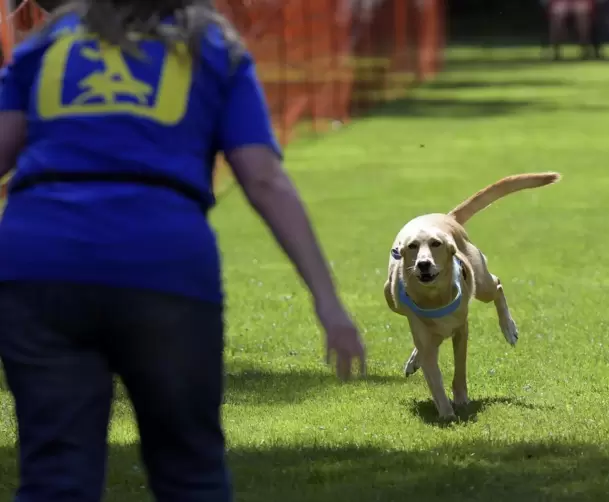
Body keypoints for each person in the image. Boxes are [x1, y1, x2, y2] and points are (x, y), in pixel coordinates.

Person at [0, 1, 366, 501]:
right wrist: (327, 300)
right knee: (189, 474)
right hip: (162, 266)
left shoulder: (48, 42)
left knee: (54, 477)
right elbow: (262, 177)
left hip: (39, 263)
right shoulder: (211, 45)